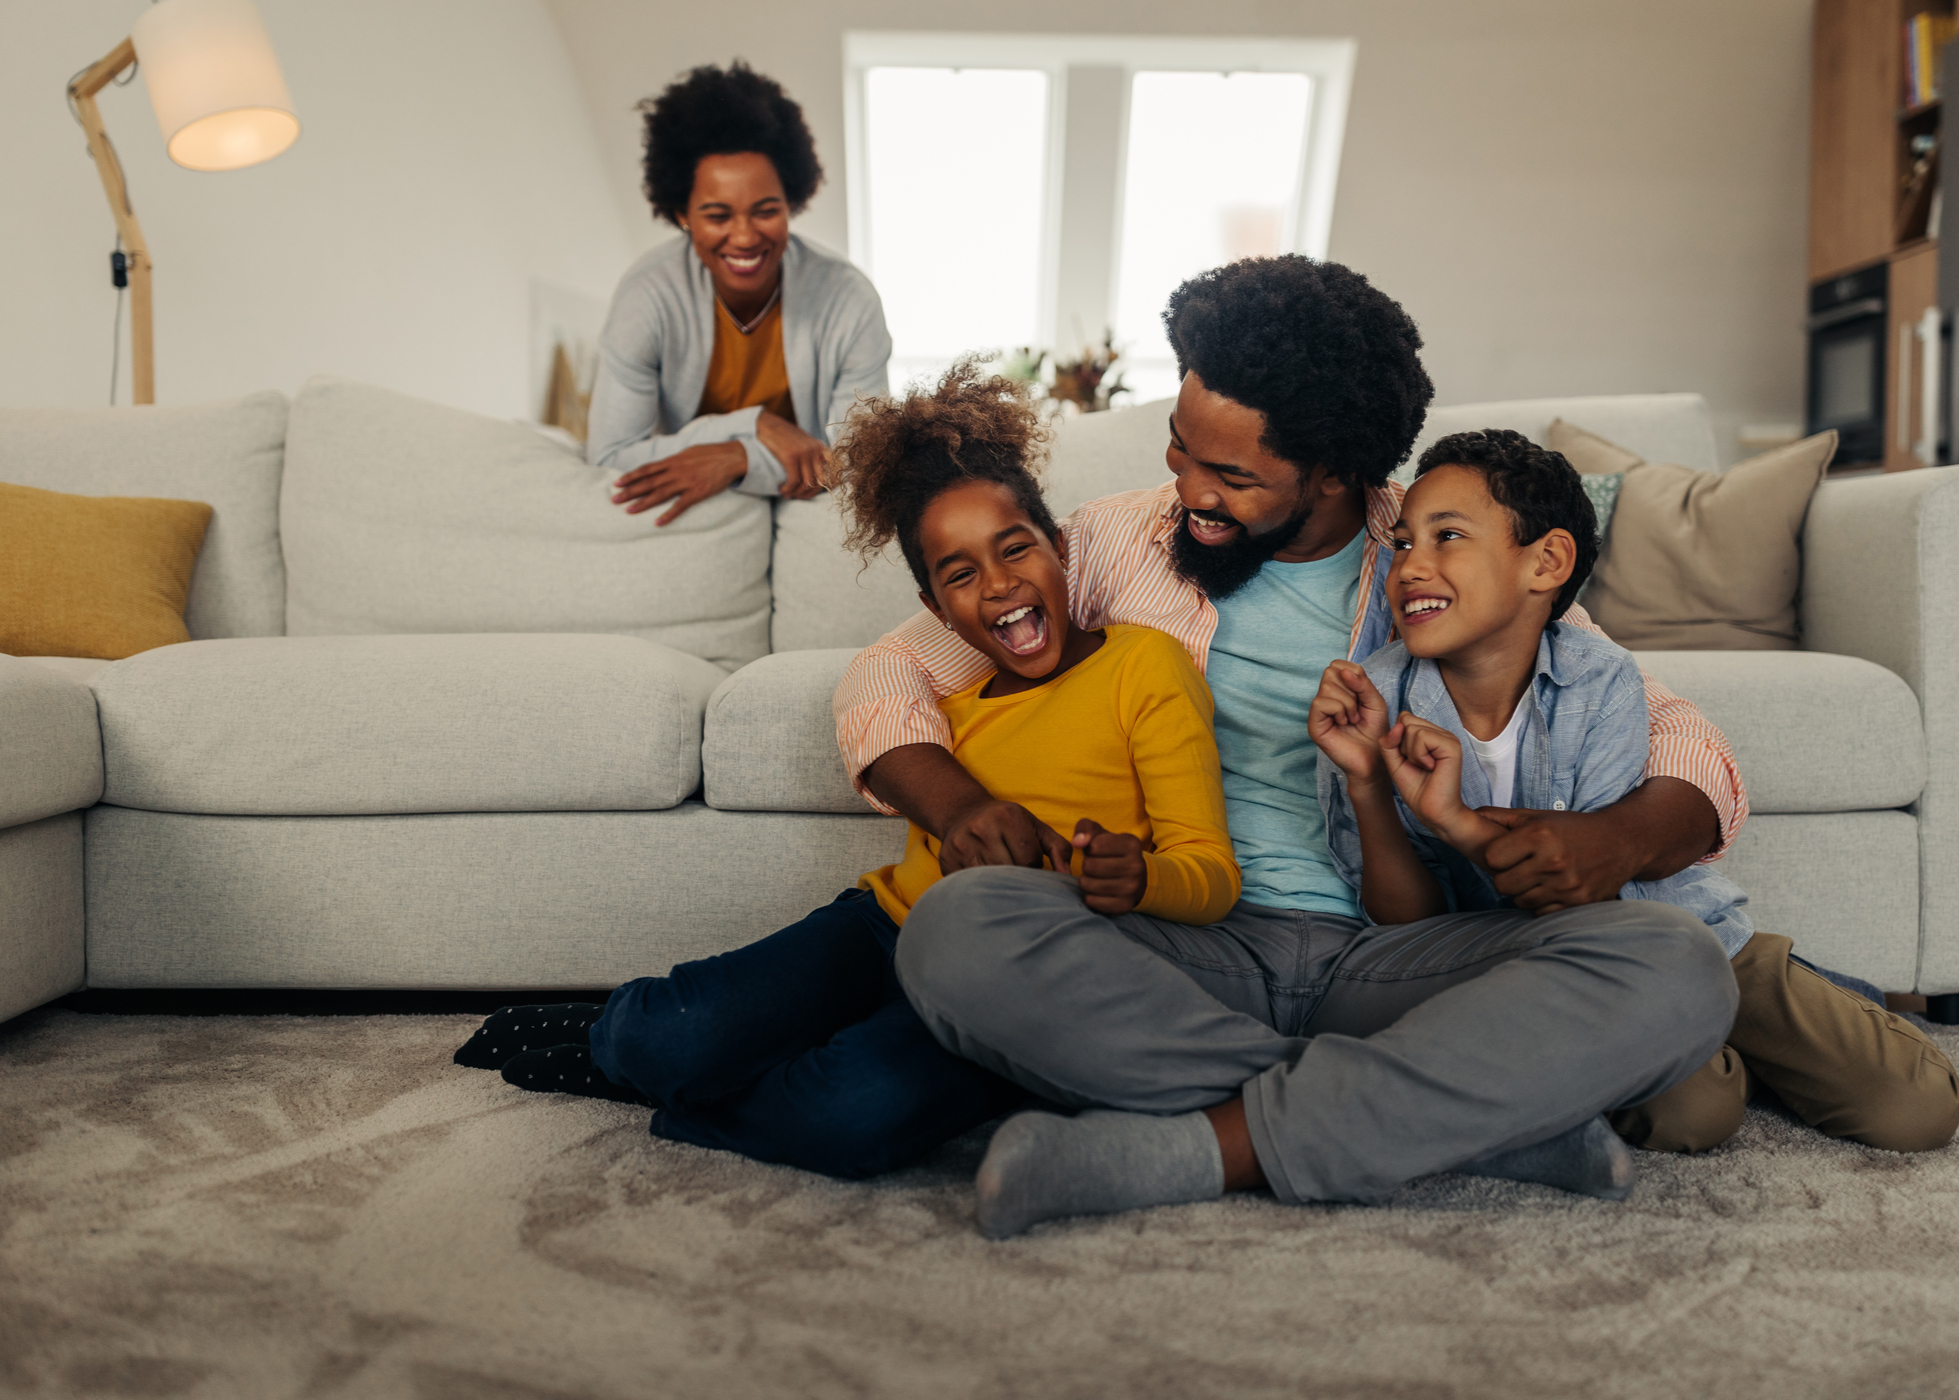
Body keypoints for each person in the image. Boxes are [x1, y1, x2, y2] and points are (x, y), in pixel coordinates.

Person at [838, 256, 1747, 1238]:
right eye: (1179, 448)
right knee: (955, 928)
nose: (1184, 489)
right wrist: (960, 806)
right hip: (1182, 949)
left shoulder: (1434, 553)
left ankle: (1198, 1145)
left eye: (1229, 475)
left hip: (1393, 957)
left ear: (1330, 473)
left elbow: (1677, 730)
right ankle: (1473, 1125)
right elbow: (887, 675)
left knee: (1678, 964)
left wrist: (1618, 835)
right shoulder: (1114, 543)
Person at [453, 365, 1240, 1180]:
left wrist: (1138, 878)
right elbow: (878, 690)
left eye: (1016, 550)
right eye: (960, 574)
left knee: (853, 1117)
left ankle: (681, 1091)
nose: (1000, 585)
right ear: (936, 608)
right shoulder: (950, 696)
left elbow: (1211, 876)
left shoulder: (1145, 665)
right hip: (887, 928)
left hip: (1017, 981)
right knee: (665, 1034)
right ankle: (618, 1042)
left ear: (1060, 550)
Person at [1313, 429, 1959, 1158]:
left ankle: (1809, 1003)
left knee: (1917, 1109)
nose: (1411, 568)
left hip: (1671, 932)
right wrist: (1368, 785)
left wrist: (1459, 824)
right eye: (1402, 545)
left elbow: (1589, 893)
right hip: (1545, 973)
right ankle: (1737, 1056)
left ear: (1547, 562)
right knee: (1689, 1116)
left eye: (1448, 537)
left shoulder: (1599, 679)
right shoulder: (1376, 700)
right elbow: (1410, 929)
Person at [587, 62, 892, 528]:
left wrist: (736, 458)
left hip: (807, 514)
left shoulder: (849, 301)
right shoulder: (647, 296)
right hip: (702, 519)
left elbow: (860, 464)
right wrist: (754, 426)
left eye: (765, 210)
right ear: (682, 213)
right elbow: (609, 455)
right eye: (717, 215)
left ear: (791, 202)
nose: (745, 237)